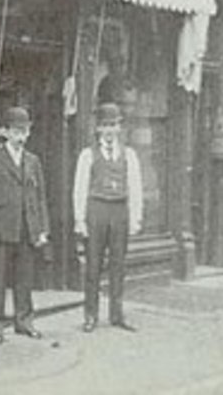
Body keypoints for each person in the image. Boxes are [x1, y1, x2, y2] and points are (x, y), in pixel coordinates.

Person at [0, 106, 50, 345]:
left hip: (27, 229)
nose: (22, 136)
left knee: (24, 279)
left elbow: (40, 198)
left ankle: (24, 322)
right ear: (7, 132)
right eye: (17, 131)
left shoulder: (33, 161)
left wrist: (41, 229)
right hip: (1, 230)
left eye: (26, 131)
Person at [73, 102, 143, 333]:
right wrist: (80, 219)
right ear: (98, 129)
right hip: (96, 211)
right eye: (104, 126)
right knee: (93, 265)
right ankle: (90, 315)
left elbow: (135, 187)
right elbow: (80, 187)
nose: (109, 130)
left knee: (118, 265)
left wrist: (135, 219)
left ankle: (117, 314)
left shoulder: (129, 155)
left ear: (119, 127)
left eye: (113, 125)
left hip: (119, 211)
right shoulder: (88, 154)